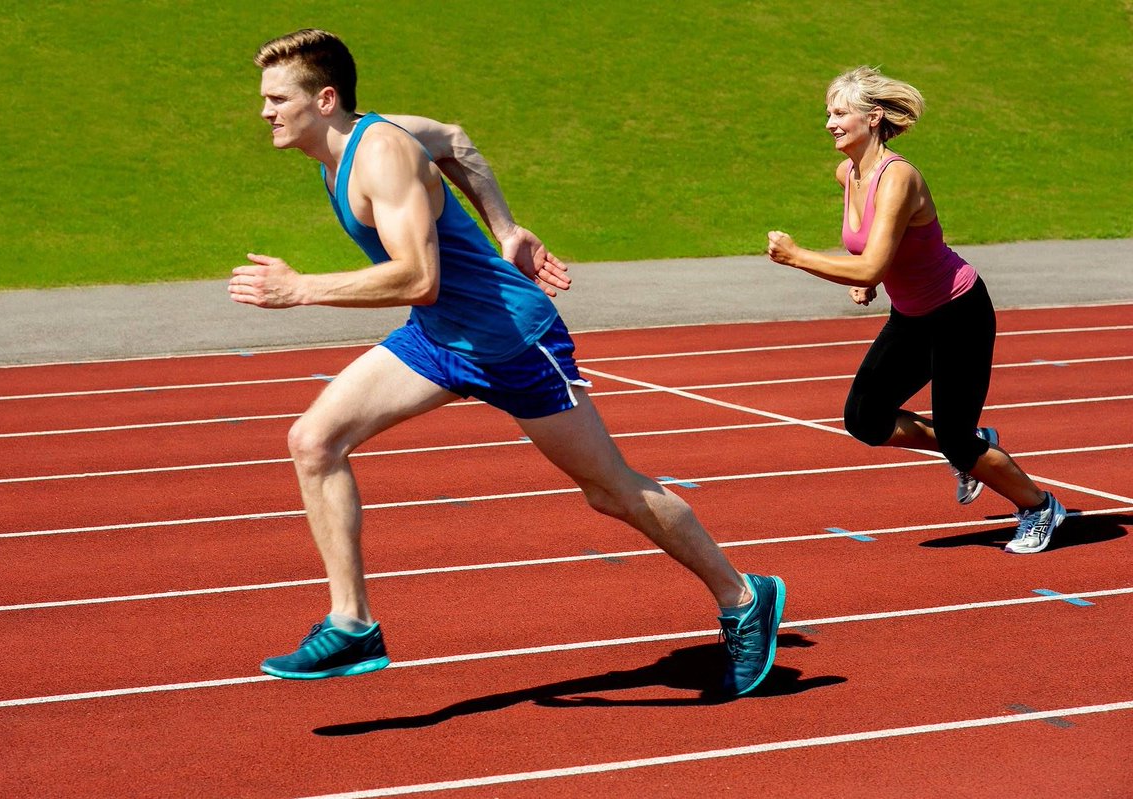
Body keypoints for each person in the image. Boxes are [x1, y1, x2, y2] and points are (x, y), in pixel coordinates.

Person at [228, 28, 784, 696]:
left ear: (323, 99)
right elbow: (457, 138)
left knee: (609, 490)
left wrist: (302, 289)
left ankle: (742, 595)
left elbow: (417, 277)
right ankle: (353, 623)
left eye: (275, 98)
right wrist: (506, 228)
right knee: (313, 441)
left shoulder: (380, 156)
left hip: (512, 341)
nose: (264, 110)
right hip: (440, 337)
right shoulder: (354, 141)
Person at [766, 66, 1066, 554]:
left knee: (957, 441)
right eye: (827, 113)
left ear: (874, 116)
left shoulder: (898, 177)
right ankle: (970, 443)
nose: (829, 123)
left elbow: (868, 265)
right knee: (865, 419)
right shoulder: (848, 172)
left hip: (957, 315)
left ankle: (1038, 506)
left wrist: (799, 257)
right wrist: (874, 278)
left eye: (840, 112)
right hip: (911, 316)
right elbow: (877, 254)